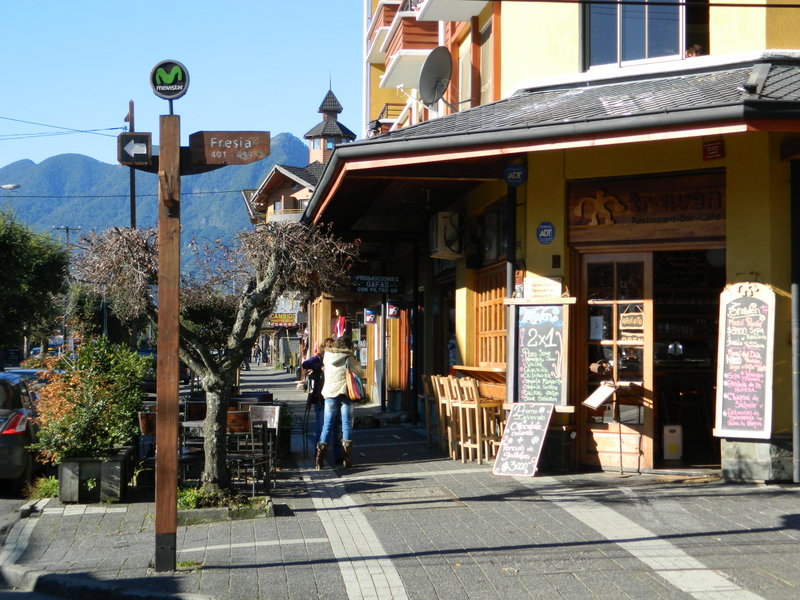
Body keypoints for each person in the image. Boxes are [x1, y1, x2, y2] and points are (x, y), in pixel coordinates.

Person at [316, 336, 362, 469]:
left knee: (327, 425)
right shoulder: (349, 358)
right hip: (345, 394)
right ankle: (346, 458)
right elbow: (359, 372)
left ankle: (319, 459)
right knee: (346, 425)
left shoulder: (327, 356)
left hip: (330, 394)